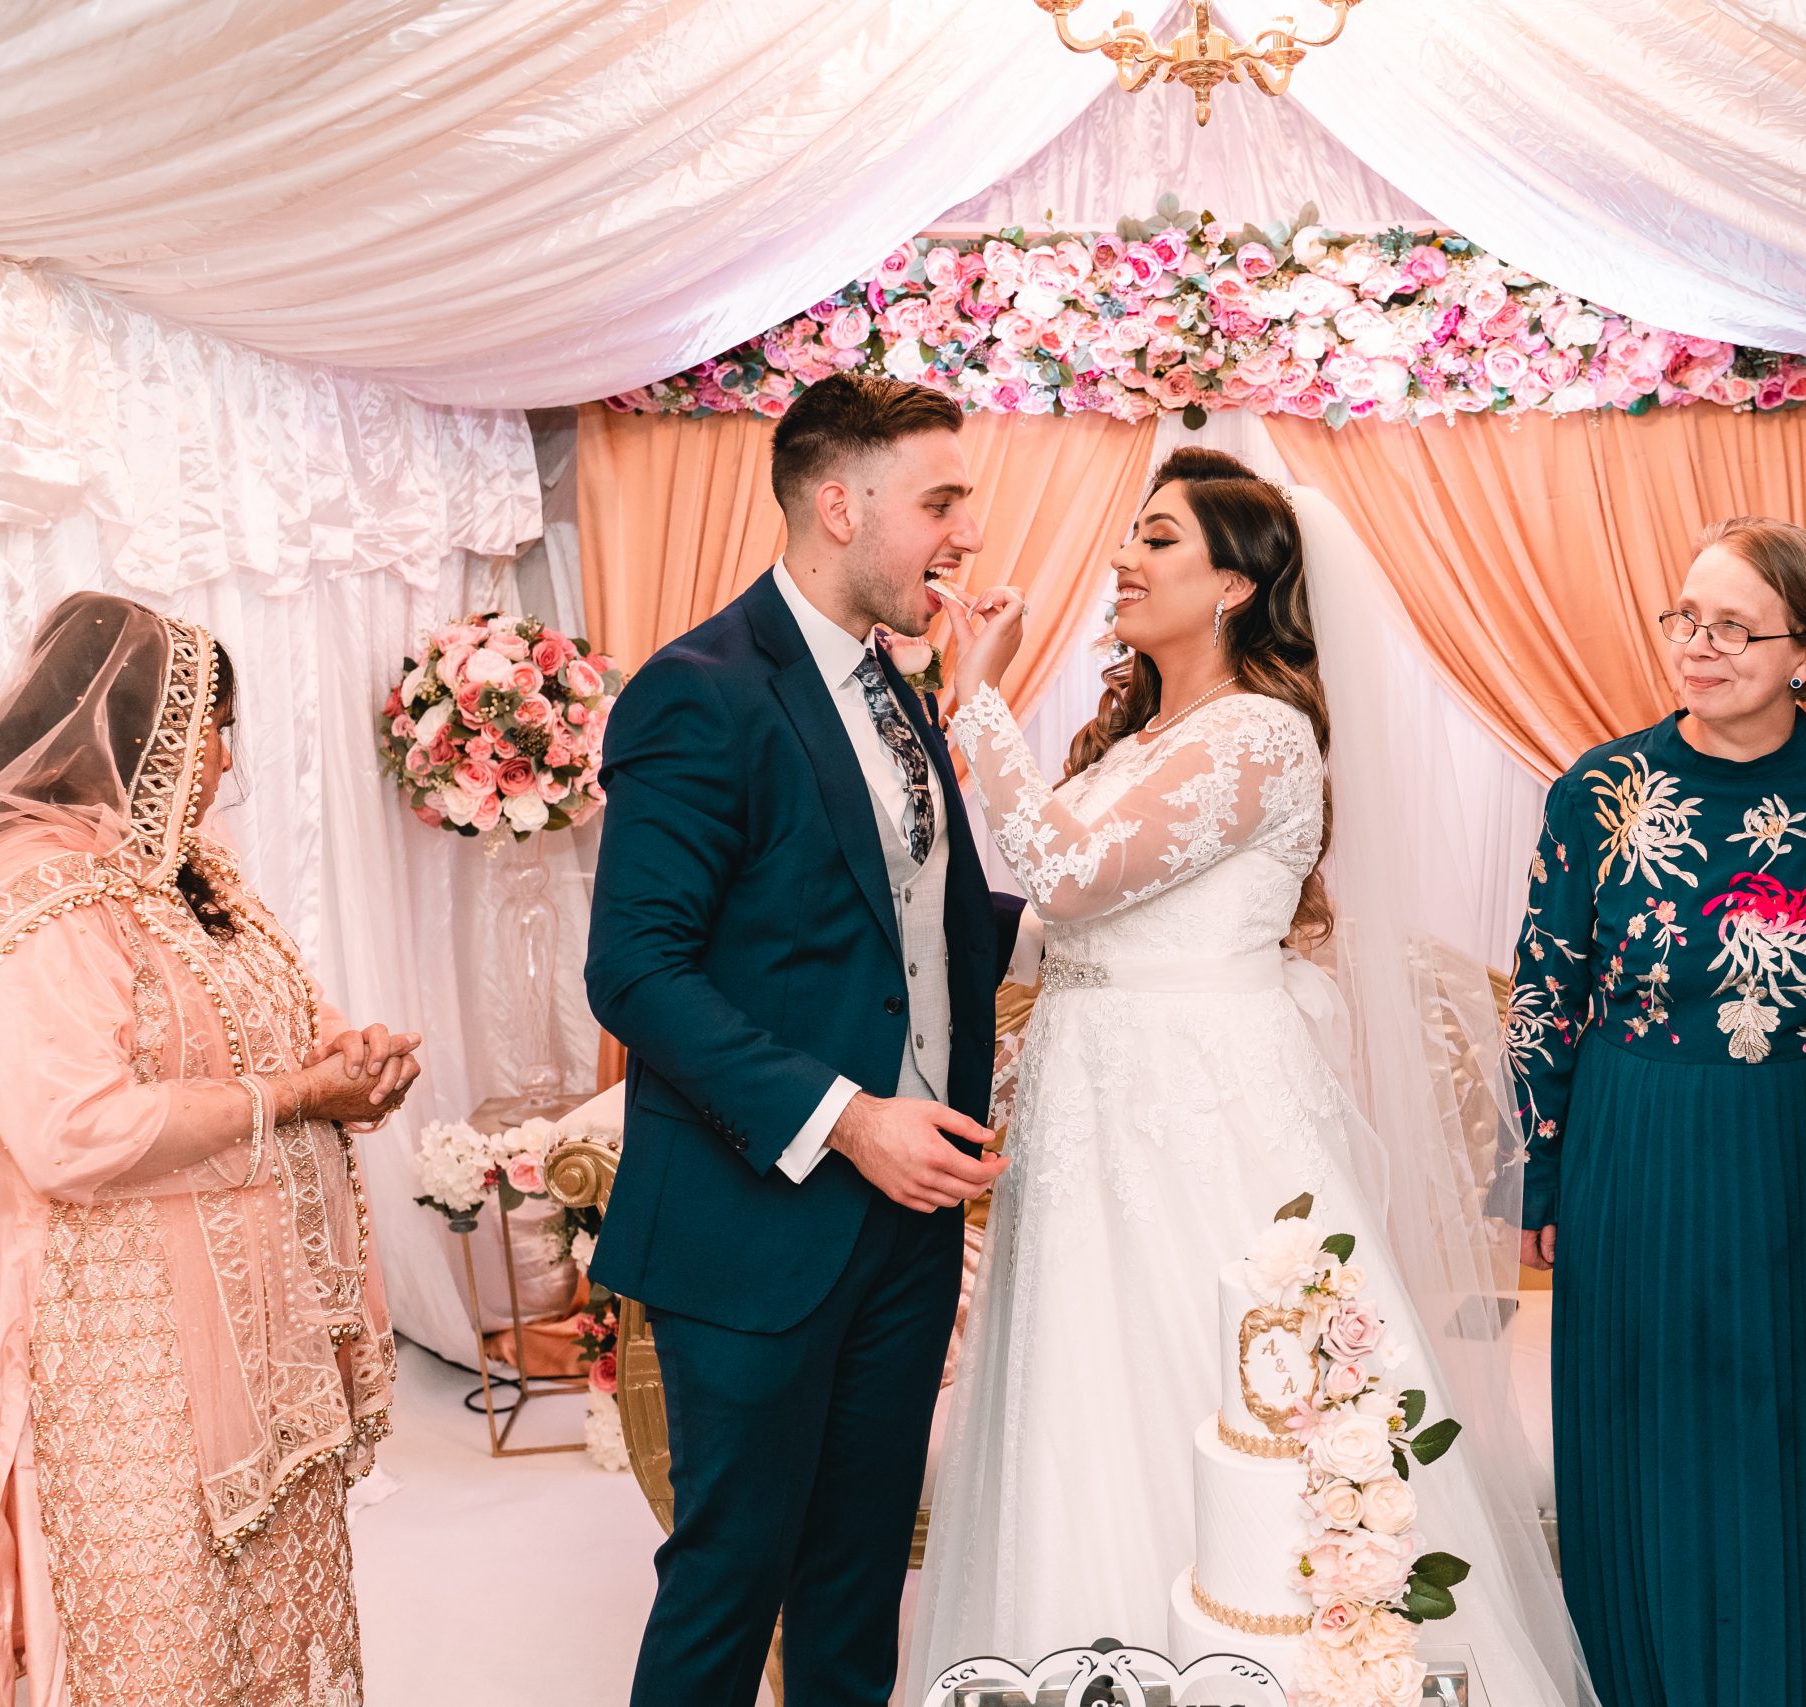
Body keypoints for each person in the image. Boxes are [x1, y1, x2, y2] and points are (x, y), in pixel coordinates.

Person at [911, 447, 1599, 1705]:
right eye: (1130, 533)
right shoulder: (1141, 739)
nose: (1123, 557)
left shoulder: (1261, 736)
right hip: (1089, 1102)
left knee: (1221, 1391)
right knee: (1083, 1400)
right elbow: (1065, 922)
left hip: (1198, 1110)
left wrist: (977, 697)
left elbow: (1067, 872)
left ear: (1233, 584)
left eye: (1157, 537)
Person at [0, 592, 418, 1707]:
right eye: (214, 728)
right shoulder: (27, 900)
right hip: (128, 1354)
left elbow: (270, 1021)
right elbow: (70, 1133)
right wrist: (300, 1095)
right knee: (160, 1642)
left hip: (261, 1335)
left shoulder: (180, 871)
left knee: (261, 1635)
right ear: (137, 731)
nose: (225, 761)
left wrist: (349, 1059)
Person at [583, 372, 1026, 1707]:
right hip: (753, 1219)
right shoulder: (698, 691)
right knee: (731, 1578)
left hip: (908, 1222)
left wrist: (1117, 935)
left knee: (854, 1581)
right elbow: (635, 970)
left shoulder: (898, 688)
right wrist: (848, 1117)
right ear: (841, 506)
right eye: (941, 503)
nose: (966, 534)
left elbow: (908, 918)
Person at [1508, 518, 1806, 1705]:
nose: (1698, 646)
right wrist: (1540, 1176)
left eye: (1735, 628)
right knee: (1651, 1420)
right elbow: (1543, 993)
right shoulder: (1600, 790)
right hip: (1634, 1141)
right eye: (1686, 618)